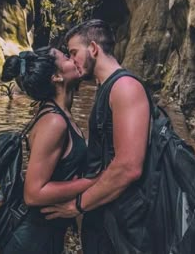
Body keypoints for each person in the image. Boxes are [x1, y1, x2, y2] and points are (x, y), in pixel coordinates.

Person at [41, 19, 151, 253]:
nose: (71, 62)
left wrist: (78, 206)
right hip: (108, 215)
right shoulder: (108, 87)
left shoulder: (125, 88)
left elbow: (128, 167)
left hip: (127, 222)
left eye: (73, 53)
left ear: (93, 48)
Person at [0, 46, 98, 254]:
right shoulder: (54, 122)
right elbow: (33, 193)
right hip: (30, 243)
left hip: (45, 240)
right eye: (67, 57)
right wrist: (93, 182)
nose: (74, 59)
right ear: (56, 77)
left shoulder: (61, 115)